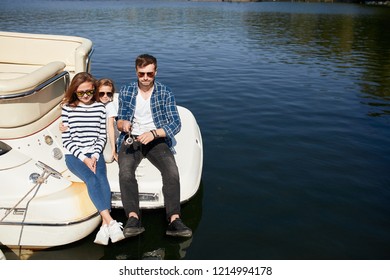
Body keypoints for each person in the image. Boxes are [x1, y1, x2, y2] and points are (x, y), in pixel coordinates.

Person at [117, 54, 192, 238]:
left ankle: (174, 219)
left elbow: (176, 123)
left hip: (155, 138)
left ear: (155, 72)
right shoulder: (126, 91)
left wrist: (153, 134)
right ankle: (133, 218)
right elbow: (119, 120)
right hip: (131, 138)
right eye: (142, 73)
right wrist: (123, 125)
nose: (145, 78)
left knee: (171, 171)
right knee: (125, 171)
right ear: (136, 71)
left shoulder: (165, 92)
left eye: (149, 74)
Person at [61, 72, 125, 245]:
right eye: (81, 93)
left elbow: (101, 136)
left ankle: (105, 227)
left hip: (94, 153)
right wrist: (85, 158)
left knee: (101, 177)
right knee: (91, 178)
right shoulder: (68, 108)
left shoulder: (99, 108)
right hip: (74, 155)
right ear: (75, 92)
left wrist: (95, 155)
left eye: (89, 92)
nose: (86, 96)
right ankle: (110, 221)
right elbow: (66, 139)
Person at [96, 78, 119, 162]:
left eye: (108, 94)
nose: (105, 96)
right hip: (95, 135)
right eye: (101, 93)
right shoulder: (93, 103)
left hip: (106, 134)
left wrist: (113, 150)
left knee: (108, 158)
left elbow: (110, 127)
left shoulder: (110, 106)